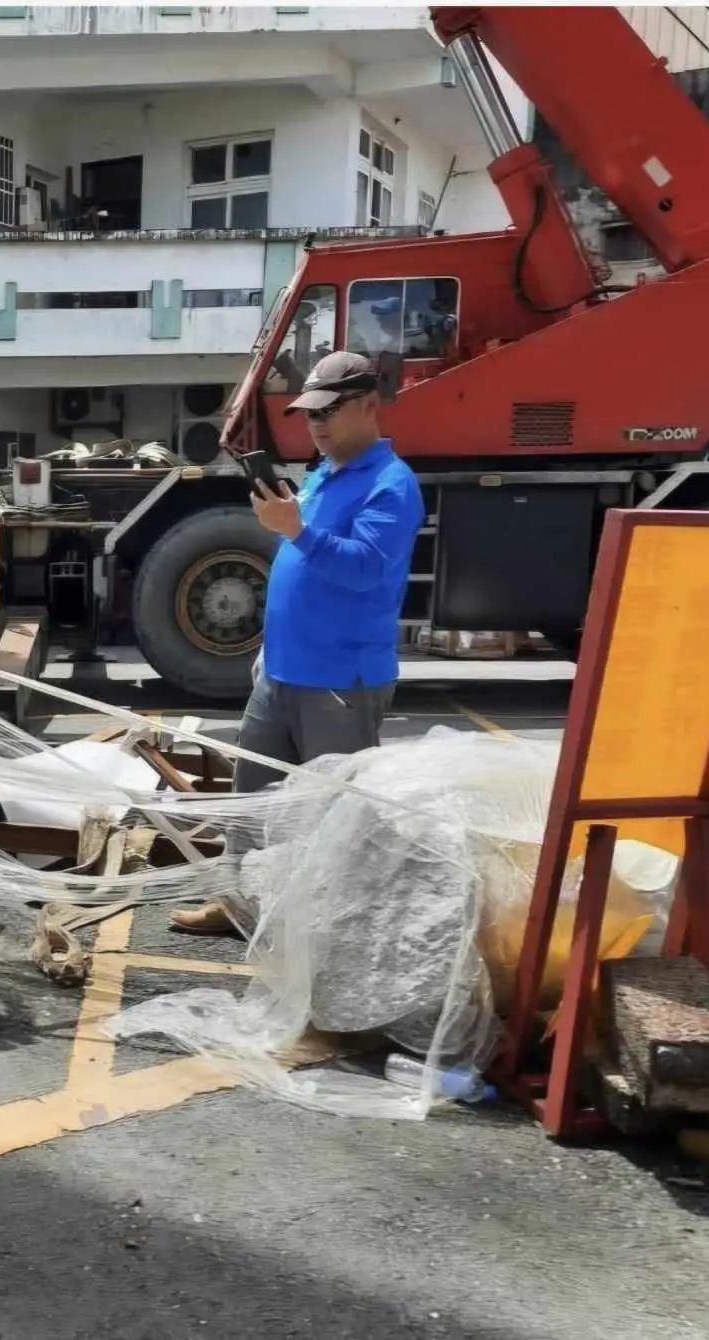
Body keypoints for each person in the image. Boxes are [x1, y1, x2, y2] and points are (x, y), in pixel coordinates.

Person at [172, 350, 425, 935]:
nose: (315, 423)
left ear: (368, 406)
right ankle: (237, 908)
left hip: (339, 681)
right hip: (282, 672)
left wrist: (298, 530)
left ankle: (338, 934)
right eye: (309, 412)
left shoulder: (391, 485)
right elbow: (301, 564)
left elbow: (365, 568)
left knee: (332, 815)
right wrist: (271, 645)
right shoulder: (322, 473)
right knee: (252, 806)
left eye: (328, 412)